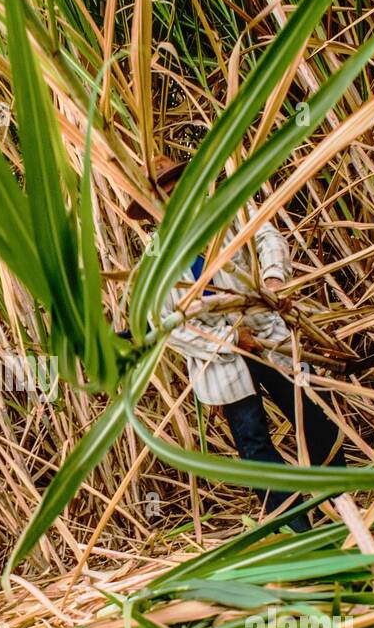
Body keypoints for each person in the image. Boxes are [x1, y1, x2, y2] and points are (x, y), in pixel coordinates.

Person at [137, 159, 345, 531]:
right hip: (220, 358)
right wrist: (231, 340)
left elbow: (267, 238)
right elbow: (164, 323)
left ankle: (342, 500)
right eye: (163, 196)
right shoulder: (157, 257)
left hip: (266, 331)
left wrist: (273, 280)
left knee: (313, 413)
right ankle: (297, 527)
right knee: (254, 444)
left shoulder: (228, 213)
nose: (174, 200)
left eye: (177, 188)